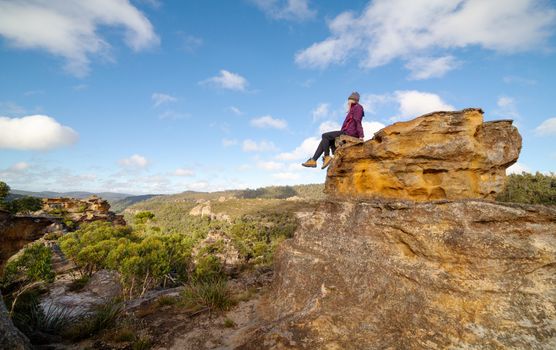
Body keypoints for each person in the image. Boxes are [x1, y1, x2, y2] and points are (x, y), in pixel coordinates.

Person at [302, 91, 364, 169]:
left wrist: (361, 135)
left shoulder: (358, 107)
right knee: (326, 140)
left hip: (350, 133)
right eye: (349, 100)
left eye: (350, 100)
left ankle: (326, 156)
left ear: (354, 100)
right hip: (346, 131)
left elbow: (357, 121)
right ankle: (314, 160)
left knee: (325, 135)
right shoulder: (352, 109)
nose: (348, 102)